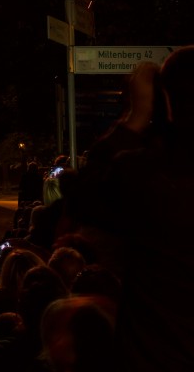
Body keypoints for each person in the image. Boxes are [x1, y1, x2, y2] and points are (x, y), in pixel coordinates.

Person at [78, 48, 194, 370]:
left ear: (167, 101)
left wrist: (136, 118)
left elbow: (85, 195)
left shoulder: (143, 175)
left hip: (156, 354)